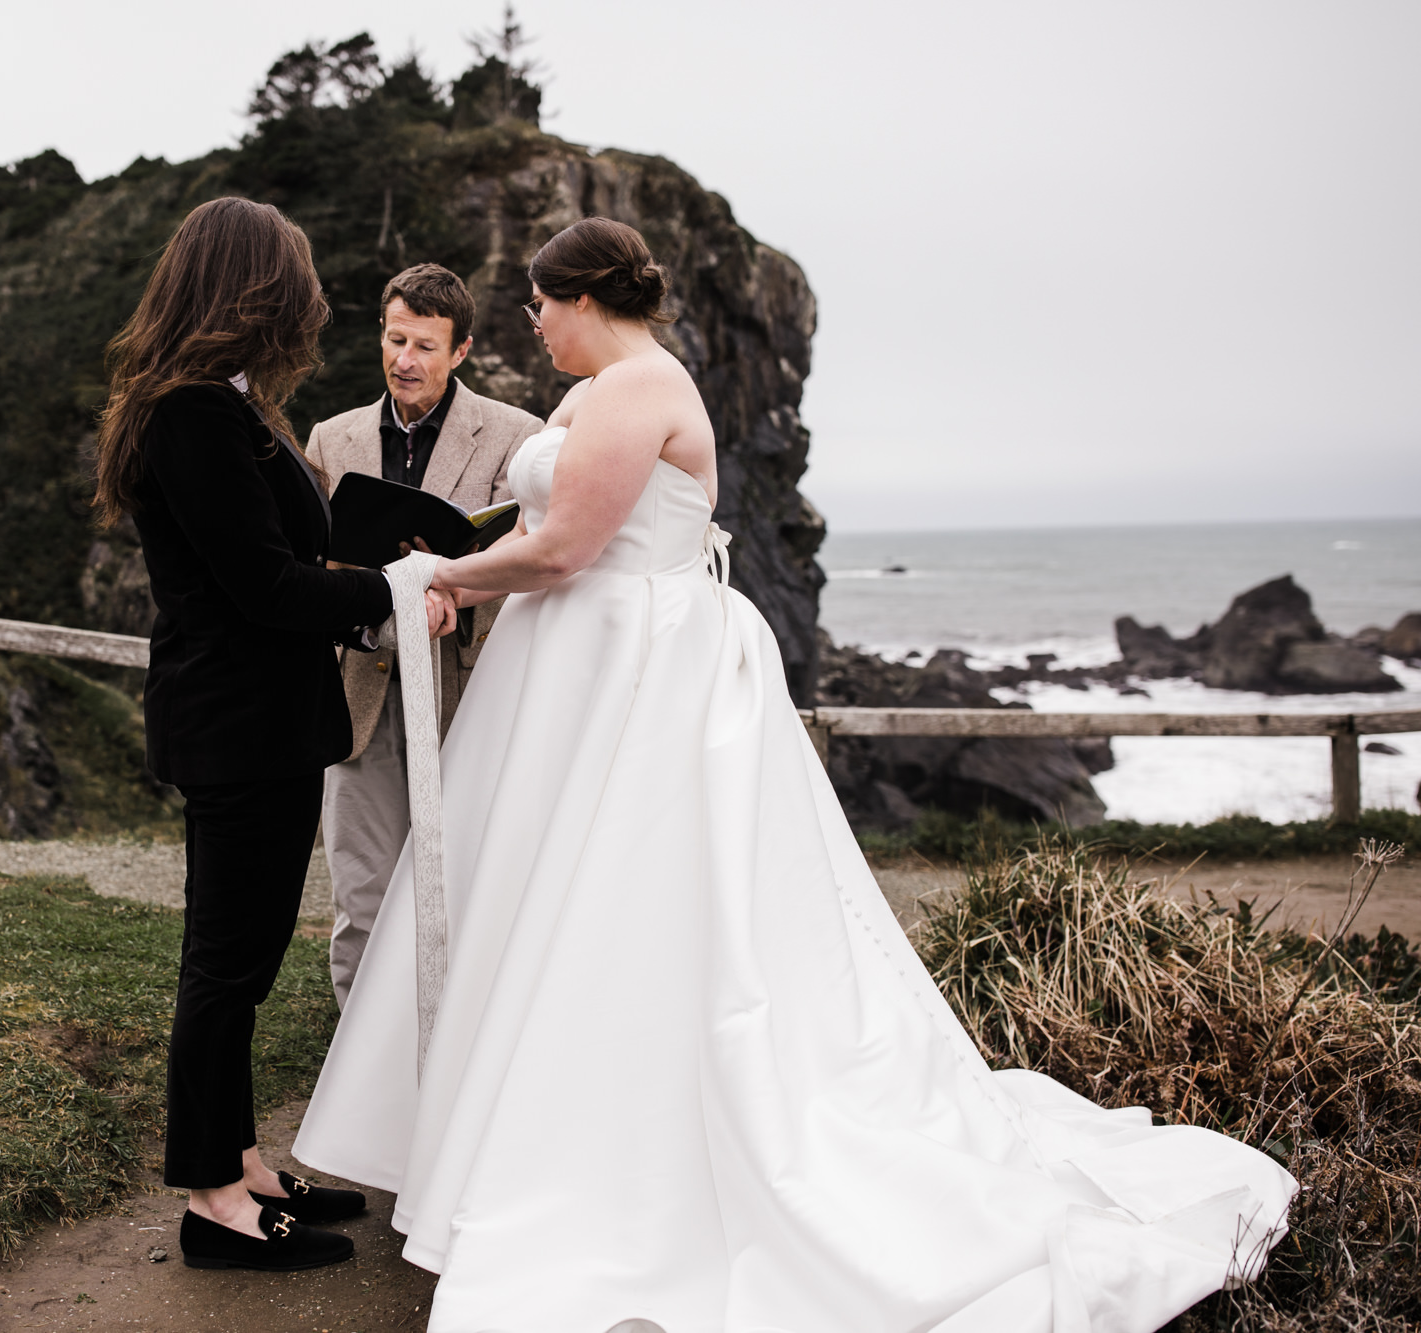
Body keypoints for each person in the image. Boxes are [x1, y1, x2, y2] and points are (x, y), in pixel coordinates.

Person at [293, 217, 1296, 1330]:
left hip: (629, 668)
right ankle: (493, 1138)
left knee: (630, 901)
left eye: (537, 304)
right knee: (536, 895)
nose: (531, 324)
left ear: (578, 298)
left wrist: (443, 572)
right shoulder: (592, 394)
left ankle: (604, 1155)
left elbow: (567, 549)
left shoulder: (635, 390)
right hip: (569, 668)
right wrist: (462, 572)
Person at [95, 196, 454, 1273]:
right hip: (236, 723)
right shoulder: (192, 415)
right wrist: (391, 591)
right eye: (294, 276)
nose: (313, 298)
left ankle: (242, 1161)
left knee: (244, 961)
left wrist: (368, 579)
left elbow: (274, 562)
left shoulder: (225, 405)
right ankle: (212, 1203)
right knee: (224, 962)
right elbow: (257, 585)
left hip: (266, 722)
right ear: (246, 285)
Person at [304, 263, 543, 1007]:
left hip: (466, 694)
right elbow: (312, 562)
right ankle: (356, 1073)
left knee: (465, 889)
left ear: (461, 350)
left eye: (426, 346)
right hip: (359, 695)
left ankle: (453, 1074)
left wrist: (447, 585)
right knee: (363, 896)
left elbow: (521, 565)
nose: (405, 359)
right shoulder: (331, 438)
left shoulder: (518, 437)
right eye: (395, 338)